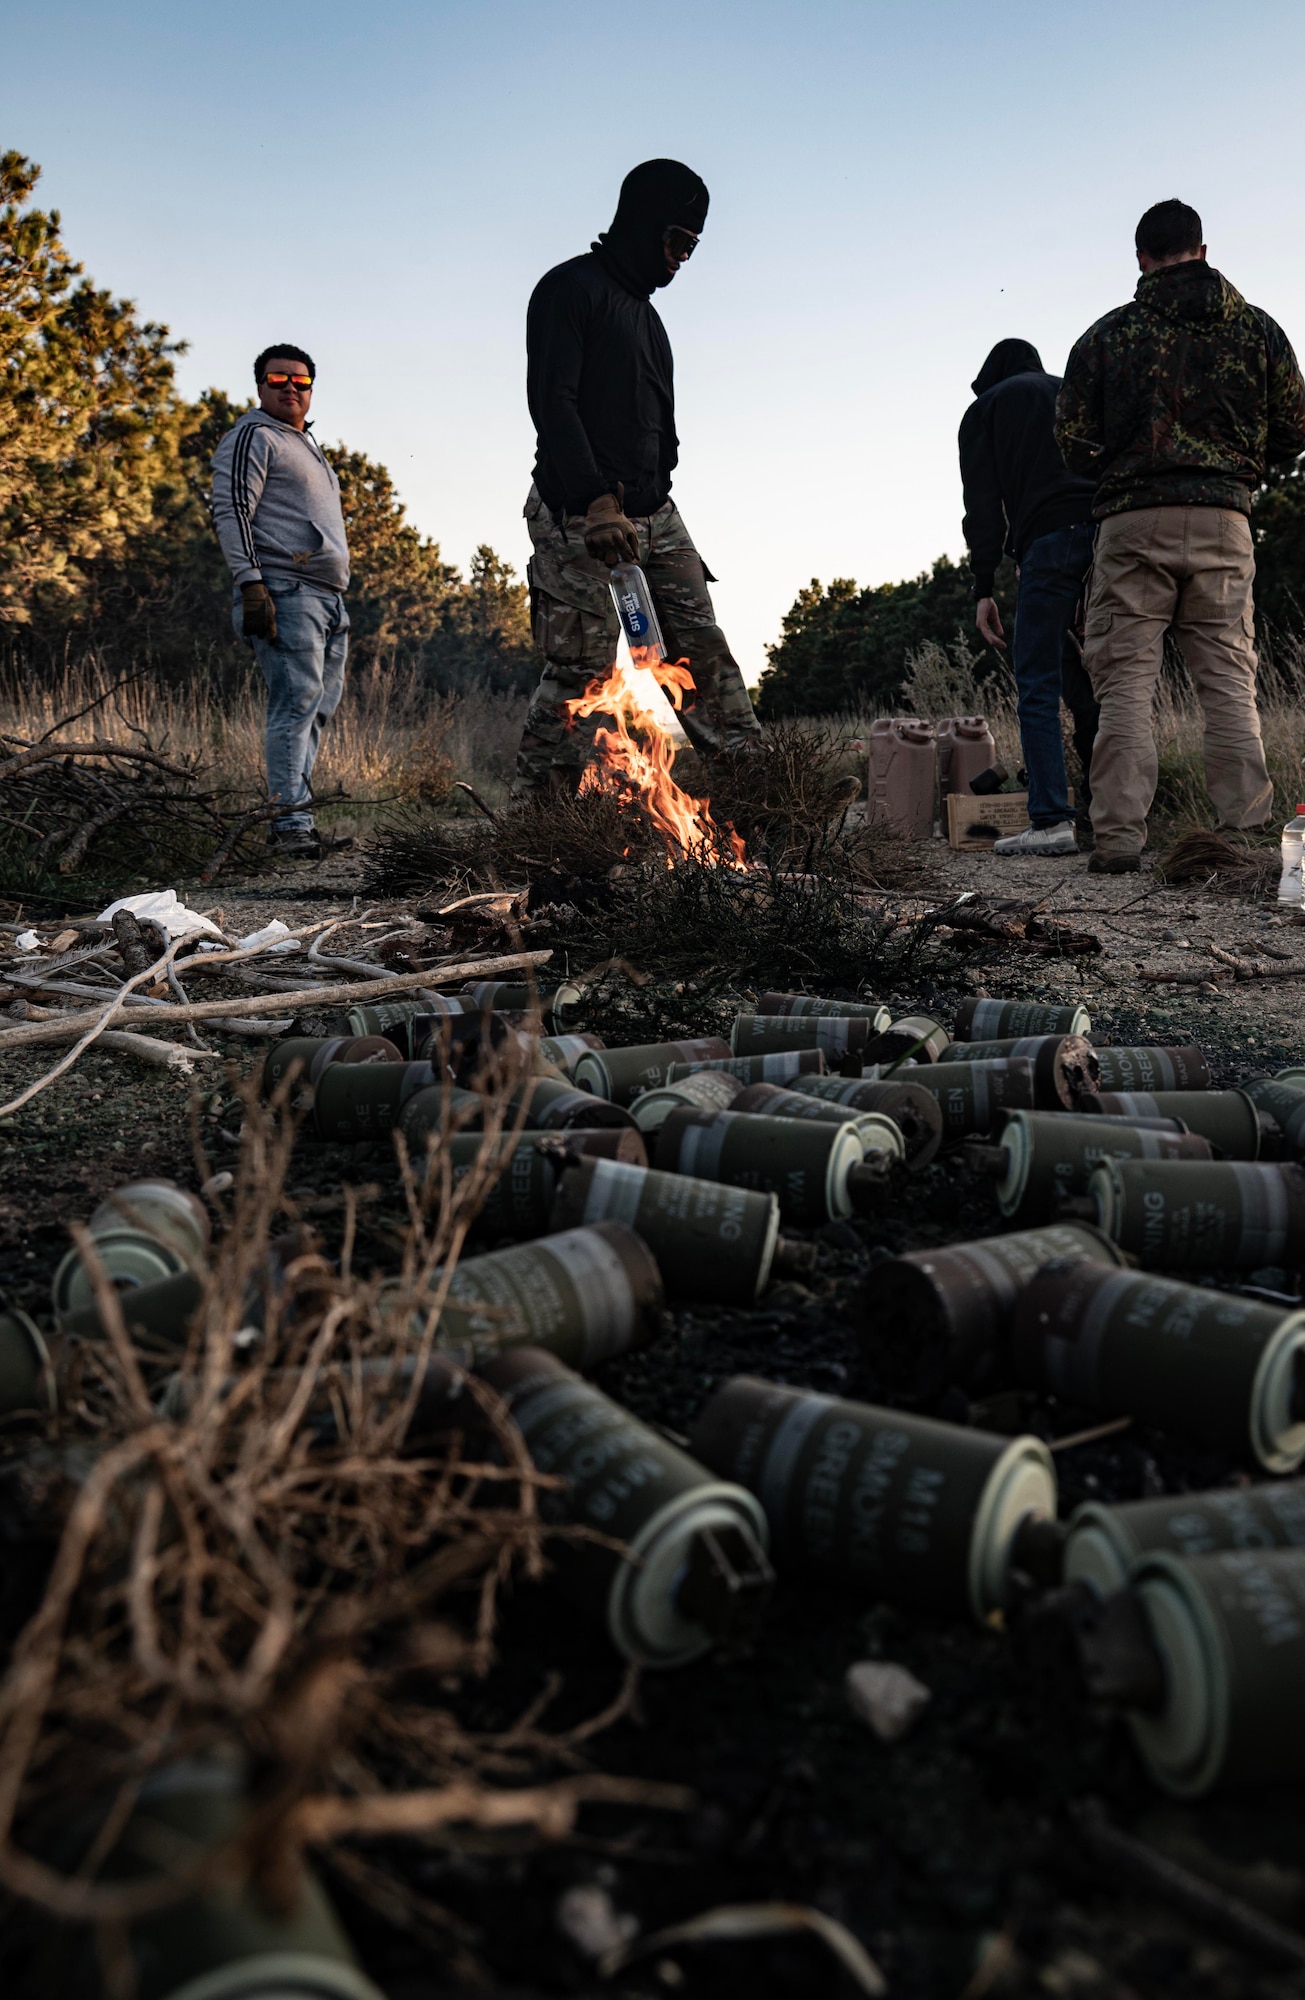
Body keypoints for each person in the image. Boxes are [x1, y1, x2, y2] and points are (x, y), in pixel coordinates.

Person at [1056, 199, 1305, 874]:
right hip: (1224, 517)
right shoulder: (1258, 332)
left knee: (1125, 685)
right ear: (1200, 248)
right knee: (1228, 679)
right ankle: (1248, 838)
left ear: (1140, 258)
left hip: (1132, 523)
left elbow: (1073, 446)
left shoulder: (1105, 338)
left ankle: (1117, 840)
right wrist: (1237, 469)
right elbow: (1293, 428)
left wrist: (1127, 461)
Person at [513, 158, 762, 797]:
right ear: (643, 224)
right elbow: (553, 403)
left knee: (704, 657)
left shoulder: (648, 317)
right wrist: (596, 501)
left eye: (693, 248)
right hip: (583, 515)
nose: (684, 258)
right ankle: (538, 824)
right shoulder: (570, 289)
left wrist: (656, 493)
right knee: (582, 671)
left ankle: (767, 802)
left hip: (657, 515)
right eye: (678, 241)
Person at [959, 339, 1101, 857]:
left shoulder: (987, 407)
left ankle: (1050, 821)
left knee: (1037, 681)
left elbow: (982, 506)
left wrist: (984, 586)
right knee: (1104, 680)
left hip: (1048, 542)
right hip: (1113, 537)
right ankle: (1112, 814)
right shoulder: (1072, 391)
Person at [211, 345, 350, 856]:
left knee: (315, 708)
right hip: (285, 590)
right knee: (295, 705)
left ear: (311, 388)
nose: (290, 387)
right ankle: (289, 827)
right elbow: (231, 510)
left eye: (301, 380)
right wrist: (251, 583)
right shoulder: (253, 436)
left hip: (328, 597)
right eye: (278, 378)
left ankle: (297, 820)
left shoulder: (305, 444)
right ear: (260, 386)